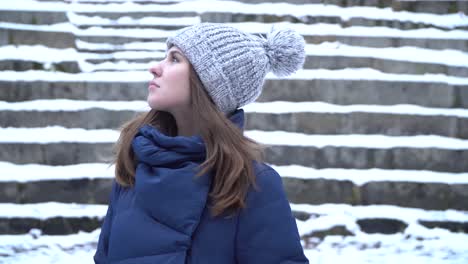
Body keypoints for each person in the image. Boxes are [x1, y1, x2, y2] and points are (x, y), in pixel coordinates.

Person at [94, 22, 308, 264]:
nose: (154, 67)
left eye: (175, 59)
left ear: (209, 83)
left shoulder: (251, 183)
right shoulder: (136, 162)